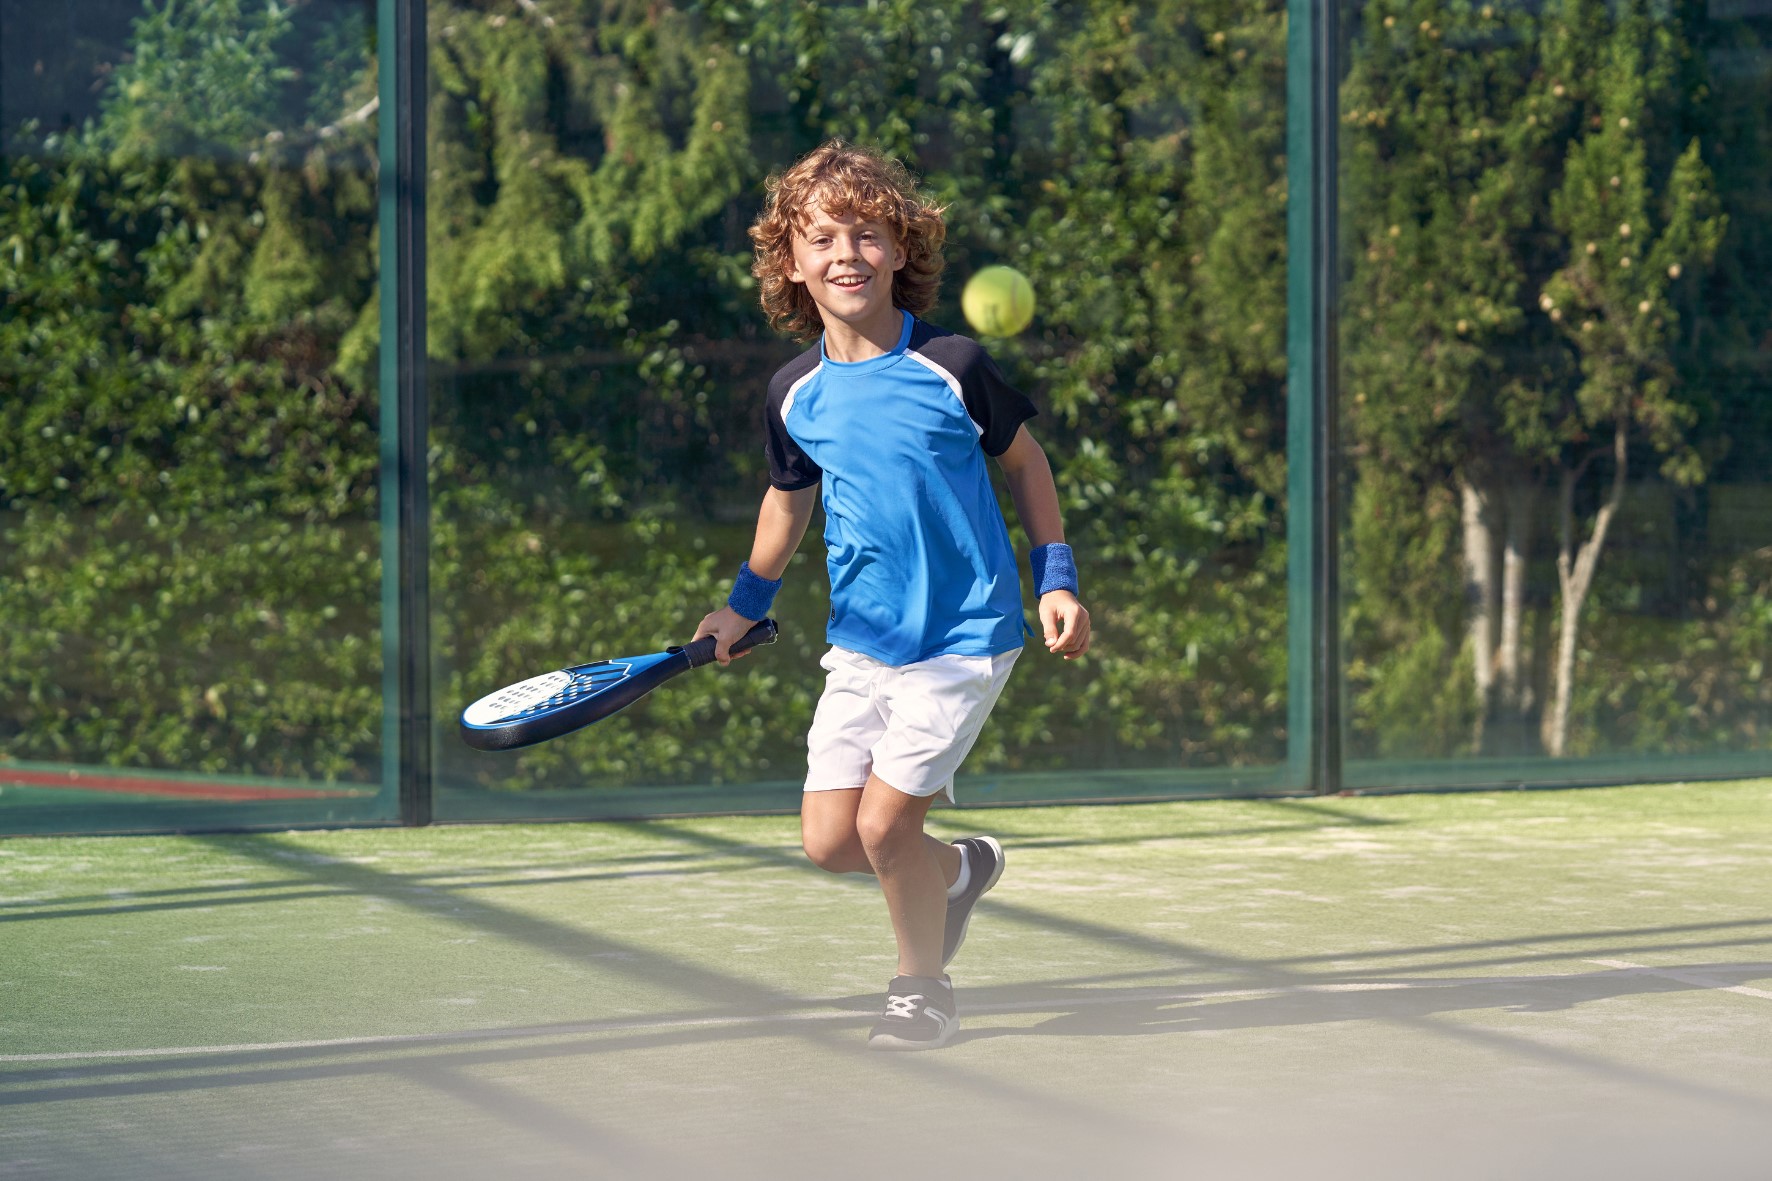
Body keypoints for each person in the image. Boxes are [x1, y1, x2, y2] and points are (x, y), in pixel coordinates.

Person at [694, 140, 1091, 1051]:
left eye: (869, 233)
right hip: (864, 646)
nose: (847, 253)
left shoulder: (954, 363)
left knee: (882, 826)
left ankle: (922, 987)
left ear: (902, 249)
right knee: (832, 840)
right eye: (824, 235)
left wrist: (1055, 576)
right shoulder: (793, 392)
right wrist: (743, 603)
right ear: (790, 260)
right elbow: (787, 501)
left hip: (963, 638)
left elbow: (1026, 463)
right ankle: (954, 874)